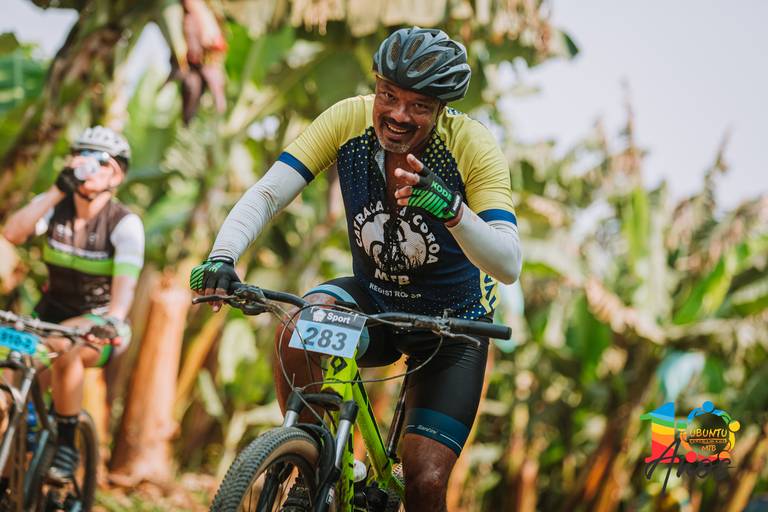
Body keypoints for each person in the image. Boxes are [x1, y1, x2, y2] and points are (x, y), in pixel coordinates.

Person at [191, 27, 522, 511]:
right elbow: (268, 194)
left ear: (441, 109)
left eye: (419, 105)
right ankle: (312, 467)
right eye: (388, 95)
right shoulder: (348, 119)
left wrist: (453, 211)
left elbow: (508, 263)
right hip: (374, 304)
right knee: (299, 327)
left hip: (453, 326)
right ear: (376, 86)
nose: (398, 115)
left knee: (425, 481)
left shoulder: (471, 144)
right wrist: (222, 256)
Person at [2, 126, 144, 481]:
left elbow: (123, 294)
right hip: (47, 318)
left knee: (66, 351)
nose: (88, 165)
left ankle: (66, 443)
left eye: (100, 160)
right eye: (81, 155)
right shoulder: (55, 208)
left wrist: (112, 320)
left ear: (117, 175)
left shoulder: (124, 224)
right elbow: (12, 233)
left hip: (101, 323)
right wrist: (55, 190)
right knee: (8, 377)